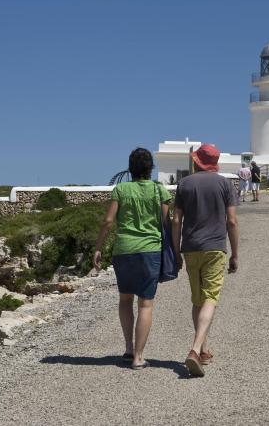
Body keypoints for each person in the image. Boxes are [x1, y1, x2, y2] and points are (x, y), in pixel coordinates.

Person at [92, 148, 173, 370]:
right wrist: (175, 251)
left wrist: (98, 248)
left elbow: (108, 221)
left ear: (130, 168)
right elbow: (167, 223)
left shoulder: (121, 189)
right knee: (145, 304)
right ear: (150, 168)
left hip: (124, 250)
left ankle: (128, 349)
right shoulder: (159, 190)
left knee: (125, 299)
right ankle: (138, 357)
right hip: (150, 250)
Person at [172, 143, 238, 377]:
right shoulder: (225, 184)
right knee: (210, 298)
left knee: (197, 300)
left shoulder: (184, 184)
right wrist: (235, 254)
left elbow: (176, 220)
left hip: (190, 248)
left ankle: (203, 350)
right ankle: (195, 349)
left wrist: (176, 251)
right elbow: (232, 221)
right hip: (215, 248)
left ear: (197, 161)